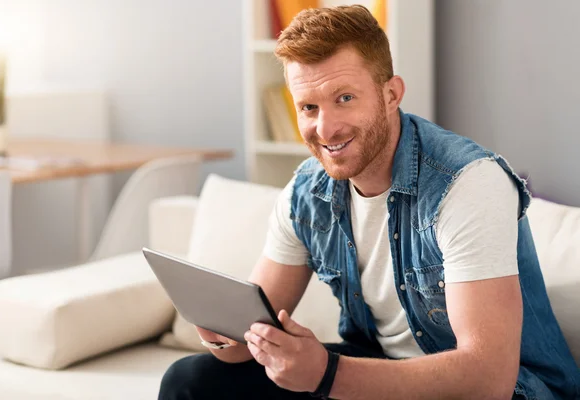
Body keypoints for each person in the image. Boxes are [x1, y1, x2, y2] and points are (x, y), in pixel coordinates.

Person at [159, 5, 580, 400]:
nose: (325, 128)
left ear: (391, 94)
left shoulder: (468, 183)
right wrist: (222, 333)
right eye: (308, 107)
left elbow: (489, 378)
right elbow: (248, 338)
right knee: (190, 380)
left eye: (344, 98)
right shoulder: (306, 193)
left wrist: (327, 374)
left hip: (510, 390)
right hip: (379, 372)